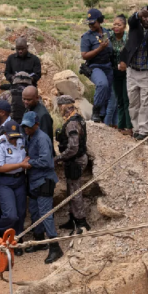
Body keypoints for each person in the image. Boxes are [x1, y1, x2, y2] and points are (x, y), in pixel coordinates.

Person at [21, 110, 63, 264]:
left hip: (44, 180)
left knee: (45, 214)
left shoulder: (42, 138)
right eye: (24, 126)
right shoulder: (29, 137)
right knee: (34, 210)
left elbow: (47, 161)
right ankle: (39, 240)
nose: (26, 128)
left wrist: (29, 162)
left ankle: (55, 246)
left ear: (36, 124)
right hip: (33, 181)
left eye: (29, 126)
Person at [120, 7, 148, 141]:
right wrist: (139, 14)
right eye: (144, 17)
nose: (147, 19)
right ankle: (136, 129)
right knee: (133, 103)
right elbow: (131, 19)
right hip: (132, 71)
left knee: (146, 104)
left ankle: (144, 131)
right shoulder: (134, 26)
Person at [54, 95, 91, 233]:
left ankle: (81, 223)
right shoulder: (76, 119)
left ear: (65, 106)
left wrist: (59, 158)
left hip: (75, 161)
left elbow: (73, 147)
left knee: (75, 192)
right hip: (74, 160)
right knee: (71, 190)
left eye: (60, 106)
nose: (59, 109)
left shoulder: (72, 123)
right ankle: (73, 219)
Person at [0, 117, 28, 246]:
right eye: (11, 137)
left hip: (19, 180)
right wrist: (20, 165)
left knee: (21, 212)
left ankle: (15, 239)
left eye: (15, 136)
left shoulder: (21, 140)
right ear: (5, 134)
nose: (13, 139)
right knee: (10, 215)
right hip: (3, 181)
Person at [81, 9, 114, 123]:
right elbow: (84, 55)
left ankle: (105, 117)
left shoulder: (108, 33)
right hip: (95, 66)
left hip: (109, 66)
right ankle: (96, 111)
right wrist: (100, 48)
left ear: (100, 21)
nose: (90, 25)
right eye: (89, 23)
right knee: (102, 84)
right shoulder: (87, 37)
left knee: (109, 93)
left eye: (93, 22)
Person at [105, 15, 132, 133]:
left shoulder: (128, 38)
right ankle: (120, 126)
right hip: (114, 72)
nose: (116, 27)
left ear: (124, 26)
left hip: (127, 72)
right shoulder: (109, 37)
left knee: (127, 99)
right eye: (114, 24)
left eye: (119, 25)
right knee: (119, 99)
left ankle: (129, 127)